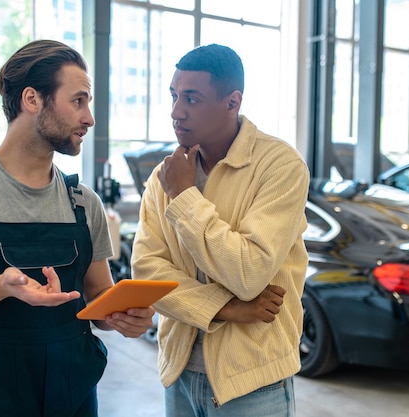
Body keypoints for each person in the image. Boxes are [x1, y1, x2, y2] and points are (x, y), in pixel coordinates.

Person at [0, 39, 154, 417]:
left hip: (74, 395)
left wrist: (124, 318)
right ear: (32, 100)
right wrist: (0, 287)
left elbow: (99, 298)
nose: (90, 119)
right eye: (78, 101)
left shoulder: (84, 202)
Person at [131, 44, 309, 416]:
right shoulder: (162, 176)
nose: (176, 112)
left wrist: (182, 195)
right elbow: (147, 272)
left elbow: (248, 273)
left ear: (232, 102)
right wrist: (225, 307)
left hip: (254, 382)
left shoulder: (280, 166)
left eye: (192, 99)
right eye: (175, 96)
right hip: (179, 374)